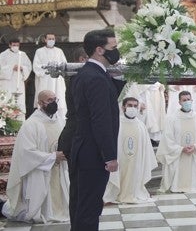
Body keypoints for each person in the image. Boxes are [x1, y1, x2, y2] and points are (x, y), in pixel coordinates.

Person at [71, 29, 124, 231]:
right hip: (92, 154)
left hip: (85, 150)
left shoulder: (89, 73)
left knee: (82, 206)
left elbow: (106, 97)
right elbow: (100, 120)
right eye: (114, 47)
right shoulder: (95, 78)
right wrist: (109, 156)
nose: (116, 51)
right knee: (89, 208)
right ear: (99, 50)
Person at [1, 90, 69, 223]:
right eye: (49, 100)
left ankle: (59, 209)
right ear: (40, 103)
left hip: (58, 169)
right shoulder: (31, 124)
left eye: (55, 99)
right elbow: (27, 153)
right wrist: (52, 157)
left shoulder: (60, 122)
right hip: (39, 172)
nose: (53, 103)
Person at [103, 97, 157, 204]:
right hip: (120, 159)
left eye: (135, 106)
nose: (133, 108)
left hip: (136, 160)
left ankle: (134, 193)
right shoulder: (116, 123)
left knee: (135, 175)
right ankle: (116, 193)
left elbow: (146, 148)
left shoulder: (141, 126)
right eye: (130, 105)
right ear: (123, 107)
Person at [57, 46, 88, 224]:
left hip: (75, 133)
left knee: (79, 187)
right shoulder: (79, 79)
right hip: (76, 135)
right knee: (79, 188)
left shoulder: (77, 78)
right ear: (81, 60)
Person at [156, 90, 196, 193]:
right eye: (184, 100)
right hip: (178, 154)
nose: (187, 102)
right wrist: (180, 149)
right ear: (179, 102)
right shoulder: (172, 119)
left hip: (194, 153)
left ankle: (194, 184)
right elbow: (167, 138)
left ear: (192, 100)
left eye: (188, 99)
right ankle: (176, 185)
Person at [33, 33, 68, 120]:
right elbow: (36, 66)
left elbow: (64, 64)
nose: (51, 40)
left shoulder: (59, 51)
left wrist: (57, 69)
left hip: (57, 79)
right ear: (45, 40)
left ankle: (60, 119)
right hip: (45, 79)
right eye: (49, 39)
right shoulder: (39, 51)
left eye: (53, 39)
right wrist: (47, 70)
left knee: (58, 97)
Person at [0, 38, 32, 116]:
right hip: (7, 82)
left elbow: (28, 66)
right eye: (14, 45)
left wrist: (22, 68)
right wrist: (11, 67)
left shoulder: (23, 54)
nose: (16, 47)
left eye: (17, 45)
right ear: (10, 45)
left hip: (18, 82)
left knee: (19, 102)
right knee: (7, 101)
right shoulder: (3, 55)